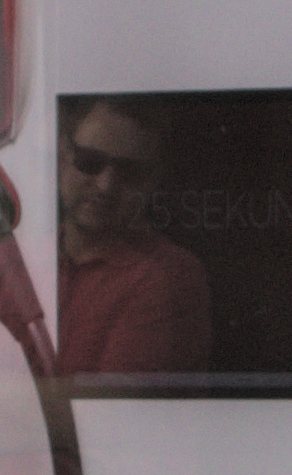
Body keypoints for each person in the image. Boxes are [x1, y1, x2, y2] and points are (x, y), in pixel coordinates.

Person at [52, 97, 208, 385]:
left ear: (151, 181)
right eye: (90, 162)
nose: (105, 185)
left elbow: (107, 414)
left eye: (129, 172)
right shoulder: (19, 257)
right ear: (62, 156)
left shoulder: (171, 275)